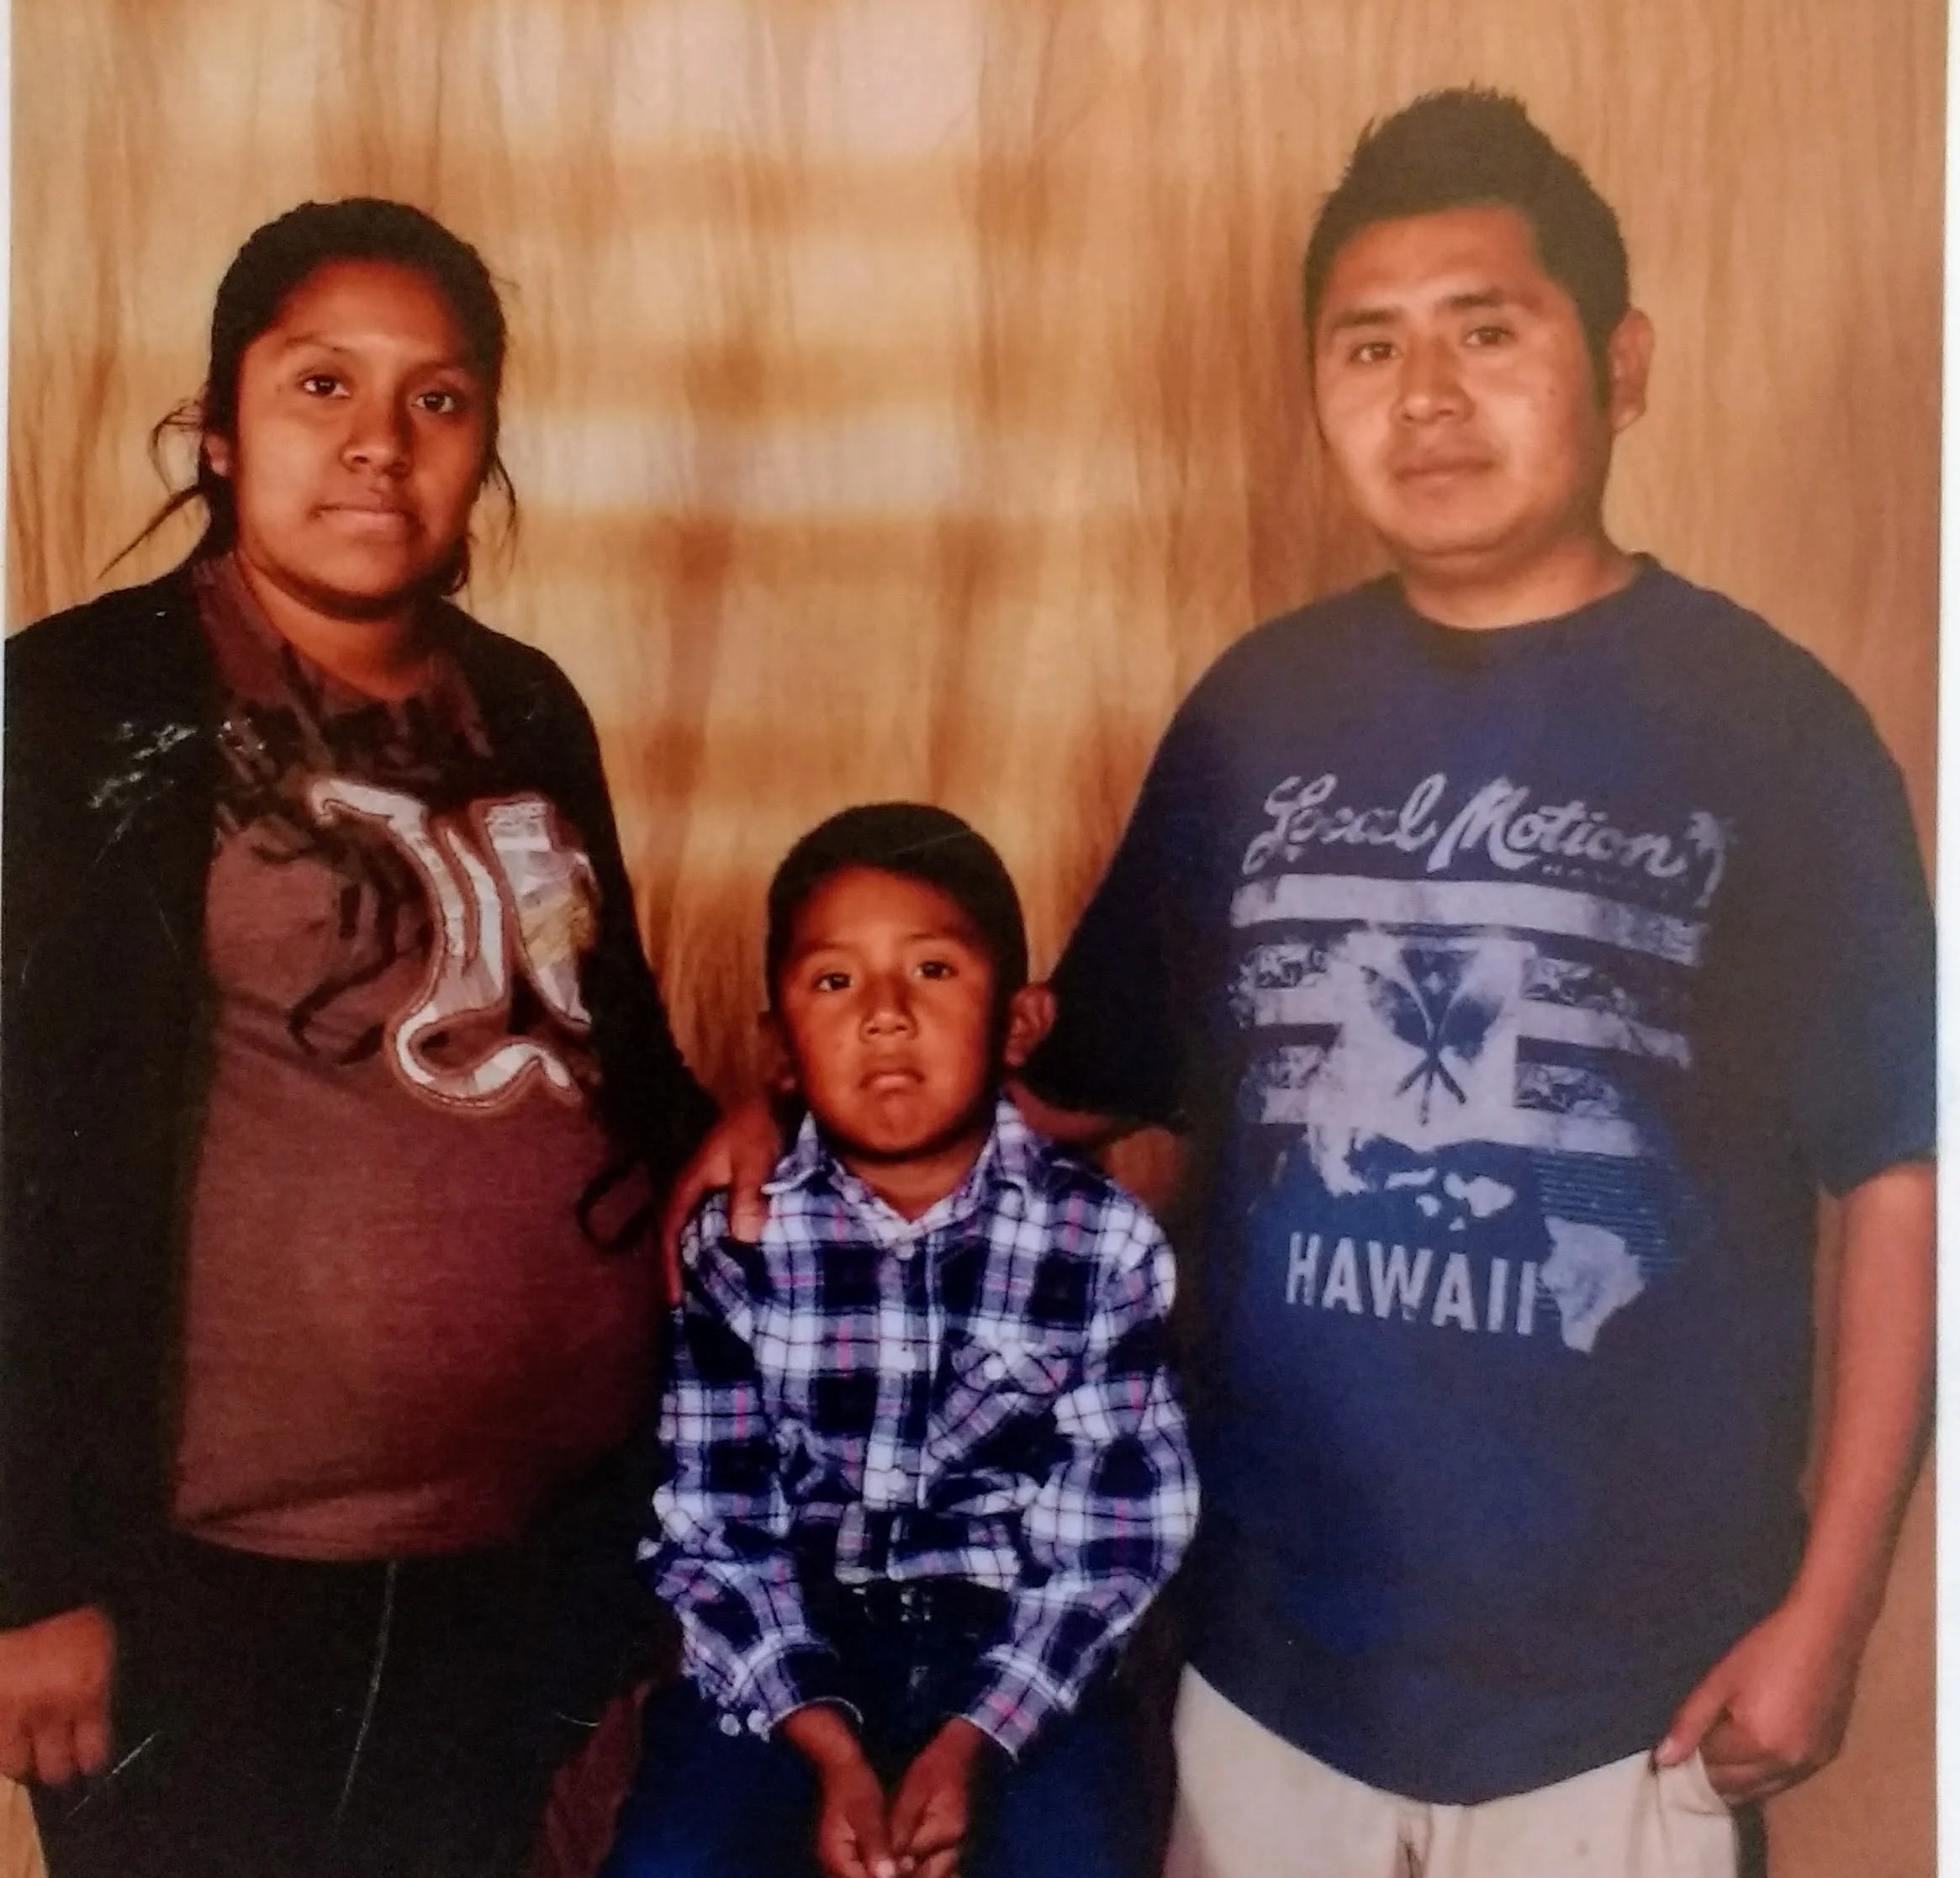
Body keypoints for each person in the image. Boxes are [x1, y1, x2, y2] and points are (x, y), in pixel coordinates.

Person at [668, 91, 1936, 1878]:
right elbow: (1060, 1080)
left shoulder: (1774, 728)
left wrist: (1837, 1598)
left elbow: (1896, 1175)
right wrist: (785, 1106)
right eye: (1369, 345)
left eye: (1485, 332)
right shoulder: (1256, 713)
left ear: (1621, 363)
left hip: (1631, 1685)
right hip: (1271, 1664)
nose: (1424, 397)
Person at [1, 197, 715, 1877]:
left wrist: (740, 1133)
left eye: (437, 398)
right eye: (322, 384)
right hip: (210, 1585)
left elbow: (604, 1040)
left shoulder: (523, 702)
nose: (380, 441)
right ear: (218, 429)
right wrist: (28, 1571)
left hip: (520, 1556)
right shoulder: (76, 704)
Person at [607, 804, 1198, 1878]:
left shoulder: (1101, 1243)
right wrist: (828, 1745)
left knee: (1078, 1853)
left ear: (1018, 1023)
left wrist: (976, 1736)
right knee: (670, 1860)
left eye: (932, 969)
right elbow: (715, 1523)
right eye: (834, 980)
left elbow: (1112, 1536)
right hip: (790, 1648)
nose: (884, 1015)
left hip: (1014, 1652)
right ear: (780, 1049)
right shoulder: (737, 1241)